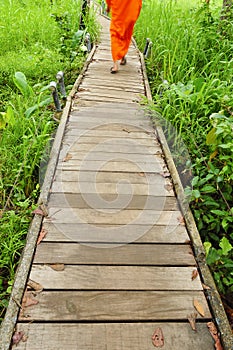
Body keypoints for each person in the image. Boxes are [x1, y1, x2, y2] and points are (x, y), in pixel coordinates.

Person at [106, 0, 142, 73]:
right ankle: (122, 57)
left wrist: (108, 6)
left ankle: (115, 65)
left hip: (118, 11)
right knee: (125, 34)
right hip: (130, 12)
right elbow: (139, 3)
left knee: (115, 34)